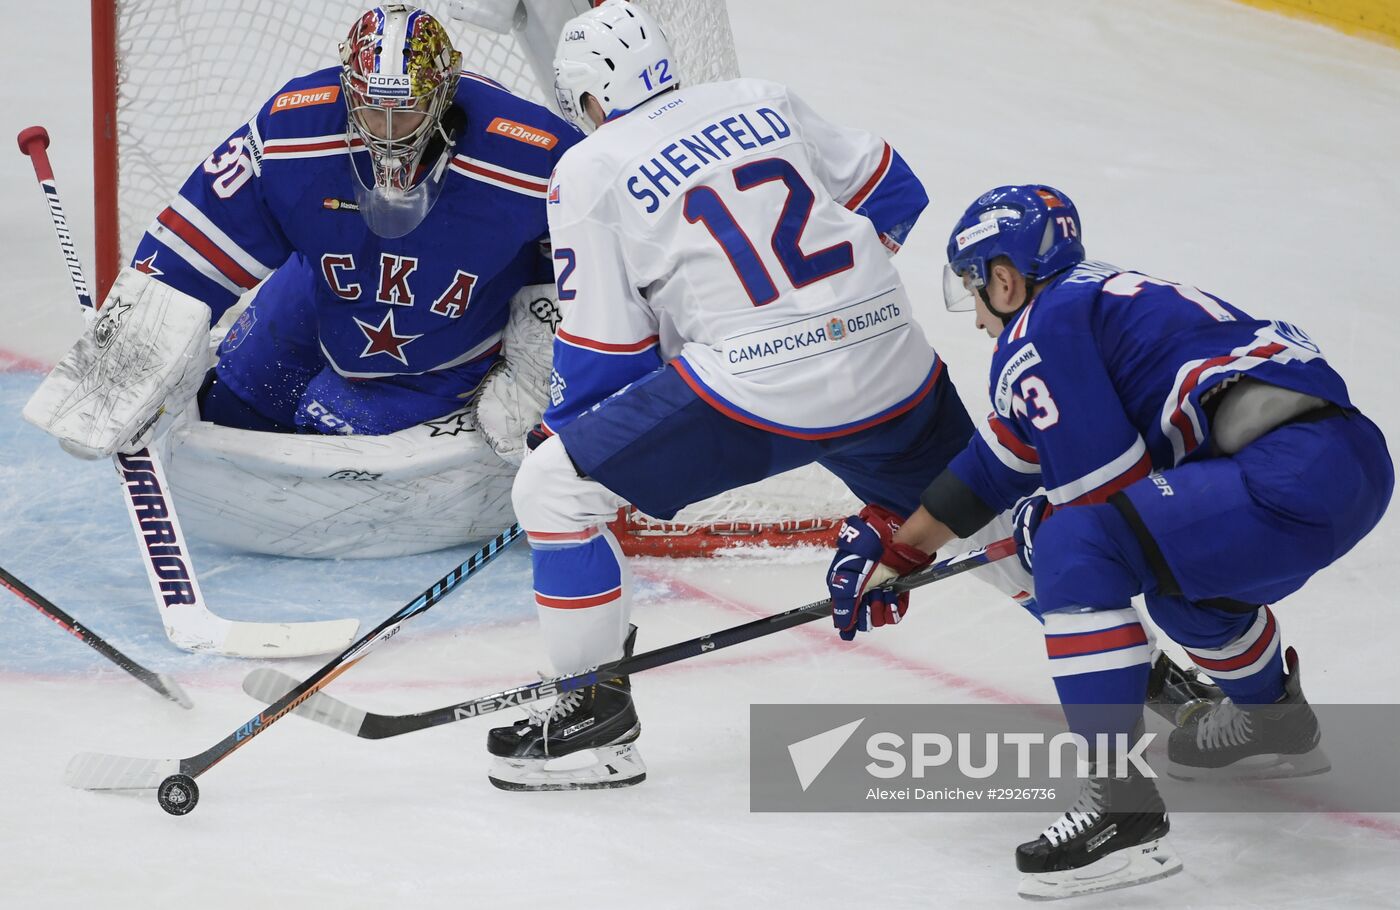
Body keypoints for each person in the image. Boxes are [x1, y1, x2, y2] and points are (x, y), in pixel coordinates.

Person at [490, 0, 1032, 792]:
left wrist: (566, 433)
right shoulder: (759, 96)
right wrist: (834, 308)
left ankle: (592, 725)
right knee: (981, 509)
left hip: (758, 391)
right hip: (892, 360)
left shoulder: (590, 165)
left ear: (588, 102)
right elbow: (894, 188)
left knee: (554, 491)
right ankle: (1165, 678)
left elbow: (610, 350)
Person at [828, 183, 1393, 899]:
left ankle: (1119, 809)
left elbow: (1097, 499)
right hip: (1346, 463)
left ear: (1005, 278)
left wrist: (1048, 528)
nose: (975, 317)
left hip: (1280, 477)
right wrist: (905, 549)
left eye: (974, 290)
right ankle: (1273, 721)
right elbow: (997, 465)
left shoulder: (1041, 328)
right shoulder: (1091, 306)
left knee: (1075, 546)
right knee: (1185, 595)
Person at [26, 4, 578, 458]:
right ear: (347, 88)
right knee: (228, 407)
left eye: (405, 112)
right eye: (370, 109)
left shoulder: (535, 156)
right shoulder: (293, 130)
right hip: (321, 299)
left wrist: (544, 355)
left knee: (328, 438)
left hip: (446, 346)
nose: (385, 132)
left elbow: (607, 263)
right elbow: (193, 248)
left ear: (443, 94)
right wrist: (123, 371)